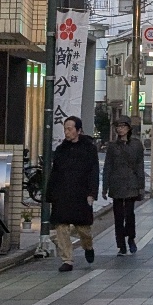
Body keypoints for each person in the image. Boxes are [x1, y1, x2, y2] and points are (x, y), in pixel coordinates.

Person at [45, 115, 99, 271]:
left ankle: (88, 246)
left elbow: (94, 172)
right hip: (62, 194)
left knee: (83, 229)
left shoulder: (89, 149)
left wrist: (92, 193)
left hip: (81, 194)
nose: (67, 132)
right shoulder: (61, 150)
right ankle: (67, 260)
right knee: (61, 227)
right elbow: (55, 173)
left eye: (70, 129)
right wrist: (50, 193)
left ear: (78, 130)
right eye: (65, 129)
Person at [102, 115, 145, 255]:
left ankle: (131, 238)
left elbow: (140, 166)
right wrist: (105, 187)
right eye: (118, 127)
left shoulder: (136, 145)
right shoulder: (112, 146)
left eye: (123, 126)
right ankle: (121, 244)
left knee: (130, 214)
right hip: (116, 184)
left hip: (131, 183)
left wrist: (141, 186)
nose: (120, 129)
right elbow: (108, 166)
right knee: (118, 216)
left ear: (128, 128)